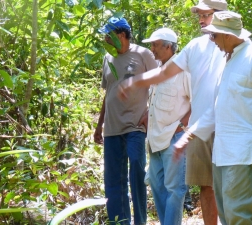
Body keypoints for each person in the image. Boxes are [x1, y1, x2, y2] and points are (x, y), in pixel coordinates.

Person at [118, 1, 228, 224]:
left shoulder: (234, 47)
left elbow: (194, 101)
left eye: (205, 14)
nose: (200, 19)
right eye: (199, 14)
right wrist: (135, 84)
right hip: (179, 134)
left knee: (220, 188)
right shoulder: (193, 48)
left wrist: (181, 128)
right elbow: (162, 79)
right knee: (198, 186)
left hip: (213, 127)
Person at [176, 11, 252, 224]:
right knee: (224, 211)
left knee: (237, 213)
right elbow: (216, 108)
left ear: (228, 35)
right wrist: (190, 134)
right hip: (220, 150)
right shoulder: (228, 61)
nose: (212, 42)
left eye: (214, 36)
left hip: (240, 149)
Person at [94, 17, 158, 225]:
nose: (106, 39)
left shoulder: (143, 54)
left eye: (108, 35)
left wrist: (150, 114)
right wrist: (99, 125)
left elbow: (159, 83)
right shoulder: (108, 58)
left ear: (121, 35)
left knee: (137, 172)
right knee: (113, 180)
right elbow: (109, 93)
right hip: (112, 128)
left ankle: (140, 221)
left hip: (136, 126)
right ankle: (119, 222)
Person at [140, 28, 192, 224]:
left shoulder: (184, 71)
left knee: (175, 189)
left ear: (168, 46)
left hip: (174, 137)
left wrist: (181, 124)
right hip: (155, 139)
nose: (152, 49)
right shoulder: (159, 71)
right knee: (156, 185)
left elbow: (197, 103)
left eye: (155, 44)